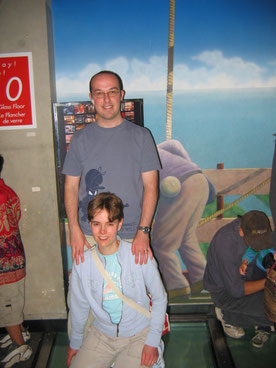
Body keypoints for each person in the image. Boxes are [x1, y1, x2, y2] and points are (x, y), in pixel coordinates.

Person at [62, 70, 160, 265]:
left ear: (121, 95)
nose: (106, 99)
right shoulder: (80, 139)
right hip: (90, 235)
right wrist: (74, 229)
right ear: (91, 98)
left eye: (112, 92)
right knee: (92, 293)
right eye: (99, 93)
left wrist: (143, 231)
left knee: (134, 293)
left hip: (132, 234)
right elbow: (70, 187)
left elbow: (151, 187)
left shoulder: (142, 137)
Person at [67, 192, 167, 368]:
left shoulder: (139, 255)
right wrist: (75, 343)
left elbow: (160, 298)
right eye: (96, 224)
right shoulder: (82, 263)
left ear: (119, 224)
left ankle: (157, 355)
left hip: (139, 335)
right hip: (101, 335)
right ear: (90, 224)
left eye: (109, 224)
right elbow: (79, 307)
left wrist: (152, 341)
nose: (103, 231)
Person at [151, 140, 216, 302]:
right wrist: (191, 166)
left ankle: (177, 289)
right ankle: (203, 282)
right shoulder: (155, 148)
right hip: (199, 180)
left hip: (179, 186)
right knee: (186, 238)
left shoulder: (134, 157)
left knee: (161, 244)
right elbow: (174, 144)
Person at [203, 210, 275, 348]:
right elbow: (236, 290)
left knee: (270, 310)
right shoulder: (225, 244)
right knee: (272, 312)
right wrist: (270, 280)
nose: (260, 245)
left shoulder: (253, 229)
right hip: (227, 294)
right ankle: (228, 316)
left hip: (254, 281)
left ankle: (260, 321)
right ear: (241, 231)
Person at [0, 155, 32, 367]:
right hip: (15, 256)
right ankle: (19, 331)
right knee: (13, 300)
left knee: (6, 305)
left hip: (4, 263)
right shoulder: (7, 190)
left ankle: (20, 347)